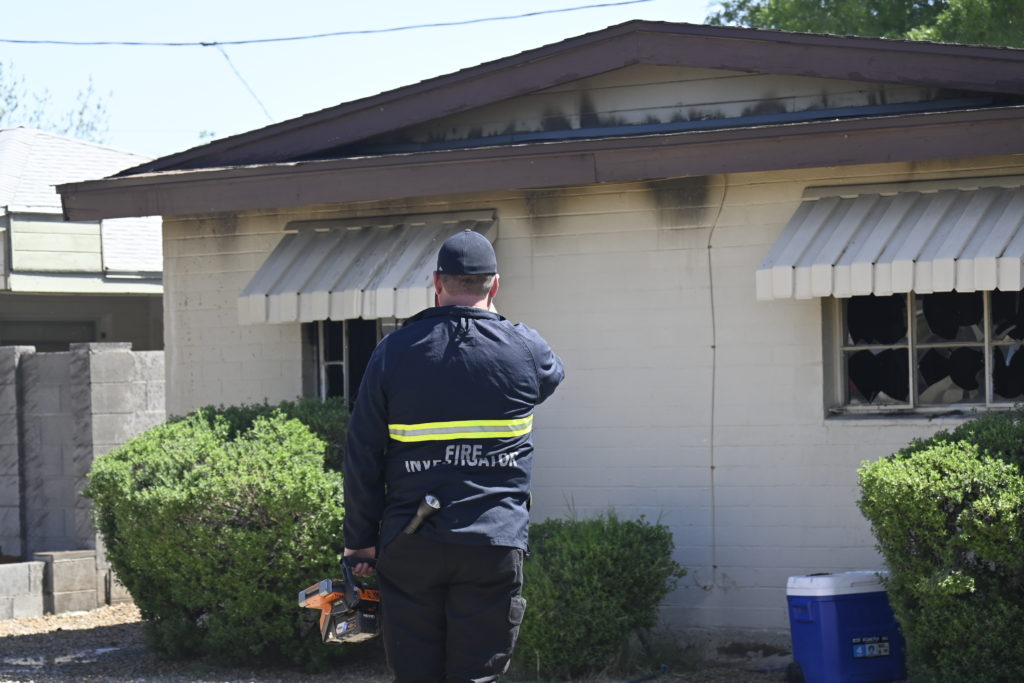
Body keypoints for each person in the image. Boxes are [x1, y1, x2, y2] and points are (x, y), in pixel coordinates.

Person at [342, 229, 564, 683]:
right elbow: (550, 377)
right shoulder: (525, 349)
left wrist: (360, 541)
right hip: (492, 541)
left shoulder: (392, 353)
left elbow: (362, 453)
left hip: (411, 541)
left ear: (436, 283)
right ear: (495, 285)